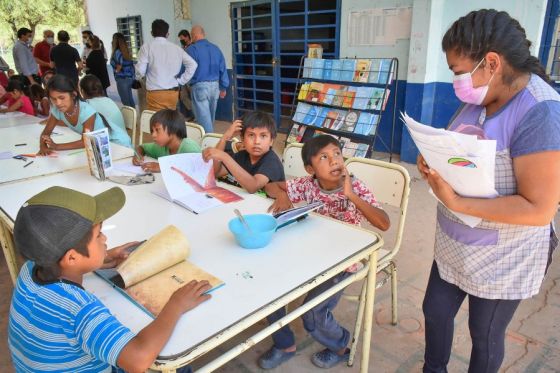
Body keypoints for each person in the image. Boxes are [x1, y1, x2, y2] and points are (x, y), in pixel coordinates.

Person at [416, 9, 560, 373]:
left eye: (457, 71)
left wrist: (458, 200)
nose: (455, 81)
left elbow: (539, 209)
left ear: (491, 62)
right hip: (455, 241)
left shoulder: (541, 113)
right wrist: (433, 158)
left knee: (484, 333)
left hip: (504, 256)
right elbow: (460, 144)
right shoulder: (480, 95)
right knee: (435, 311)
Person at [8, 185, 211, 372]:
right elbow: (138, 360)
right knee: (178, 367)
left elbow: (61, 270)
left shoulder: (30, 269)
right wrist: (175, 305)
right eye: (99, 235)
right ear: (72, 257)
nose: (104, 239)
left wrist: (98, 260)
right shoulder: (78, 308)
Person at [261, 135, 390, 369]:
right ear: (310, 169)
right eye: (324, 157)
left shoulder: (356, 186)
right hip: (311, 253)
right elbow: (271, 185)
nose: (334, 161)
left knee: (311, 313)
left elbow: (383, 224)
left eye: (337, 154)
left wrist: (351, 195)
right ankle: (284, 343)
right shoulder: (307, 184)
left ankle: (340, 346)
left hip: (344, 260)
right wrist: (282, 194)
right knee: (268, 284)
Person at [39, 74, 131, 154]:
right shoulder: (57, 110)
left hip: (117, 143)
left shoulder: (86, 111)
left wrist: (57, 146)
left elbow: (85, 142)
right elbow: (45, 133)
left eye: (62, 98)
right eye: (53, 99)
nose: (58, 103)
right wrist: (43, 147)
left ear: (73, 94)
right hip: (99, 145)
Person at [202, 111, 284, 193]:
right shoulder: (242, 156)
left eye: (263, 136)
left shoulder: (272, 161)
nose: (257, 141)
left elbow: (253, 186)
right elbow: (216, 172)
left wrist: (225, 157)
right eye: (251, 135)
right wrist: (224, 139)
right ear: (242, 139)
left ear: (271, 141)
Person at [136, 19, 198, 111]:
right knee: (170, 119)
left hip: (155, 93)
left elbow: (140, 71)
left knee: (157, 121)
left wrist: (139, 77)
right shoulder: (177, 48)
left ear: (152, 33)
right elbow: (193, 64)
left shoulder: (146, 47)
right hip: (173, 93)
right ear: (167, 34)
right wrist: (181, 81)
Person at [187, 25, 229, 133]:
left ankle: (209, 145)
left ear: (194, 36)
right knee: (210, 119)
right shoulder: (216, 48)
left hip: (199, 87)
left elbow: (185, 69)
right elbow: (222, 69)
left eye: (191, 36)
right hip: (215, 87)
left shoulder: (192, 49)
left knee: (204, 123)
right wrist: (223, 88)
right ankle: (210, 141)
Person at [133, 109, 201, 173]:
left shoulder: (189, 147)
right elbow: (141, 148)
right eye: (152, 131)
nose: (153, 135)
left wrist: (164, 167)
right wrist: (138, 155)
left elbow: (200, 169)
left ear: (173, 130)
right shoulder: (160, 146)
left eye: (157, 130)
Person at [110, 32, 136, 107]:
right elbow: (131, 66)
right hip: (129, 79)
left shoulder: (117, 52)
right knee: (130, 100)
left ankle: (130, 117)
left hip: (122, 79)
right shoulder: (126, 51)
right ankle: (134, 116)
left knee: (125, 102)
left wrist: (116, 71)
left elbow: (119, 66)